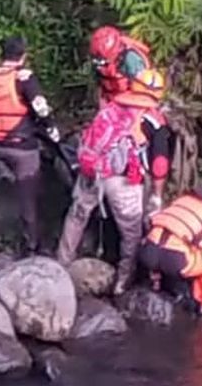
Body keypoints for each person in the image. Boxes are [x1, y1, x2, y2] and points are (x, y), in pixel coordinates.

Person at [0, 37, 60, 256]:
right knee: (28, 199)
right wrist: (52, 128)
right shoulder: (25, 78)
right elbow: (41, 109)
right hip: (21, 149)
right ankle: (31, 244)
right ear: (23, 55)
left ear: (2, 55)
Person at [56, 91, 154, 296]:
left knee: (76, 216)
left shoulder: (107, 112)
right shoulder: (141, 121)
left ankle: (62, 263)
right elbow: (151, 161)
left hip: (90, 173)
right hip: (120, 181)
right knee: (131, 232)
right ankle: (123, 281)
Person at [91, 26, 172, 210]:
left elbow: (144, 88)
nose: (101, 63)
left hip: (135, 103)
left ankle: (156, 195)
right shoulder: (100, 60)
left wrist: (133, 115)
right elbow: (101, 87)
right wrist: (103, 112)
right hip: (115, 103)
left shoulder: (132, 62)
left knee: (158, 140)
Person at [139, 179, 202, 316]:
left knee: (174, 244)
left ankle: (156, 284)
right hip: (174, 260)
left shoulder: (182, 200)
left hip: (147, 251)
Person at [112, 66, 173, 213]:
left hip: (97, 171)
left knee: (79, 217)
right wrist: (157, 195)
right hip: (128, 181)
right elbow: (159, 164)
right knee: (133, 232)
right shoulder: (156, 122)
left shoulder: (115, 106)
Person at [90, 25, 152, 106]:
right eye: (98, 57)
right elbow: (100, 85)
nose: (101, 62)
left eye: (104, 58)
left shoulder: (131, 59)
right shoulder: (99, 62)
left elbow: (143, 90)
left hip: (131, 101)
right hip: (112, 100)